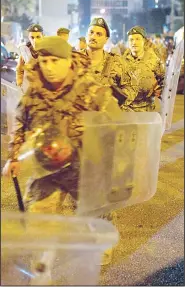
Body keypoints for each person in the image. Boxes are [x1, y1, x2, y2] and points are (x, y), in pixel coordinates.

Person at [3, 36, 122, 214]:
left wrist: (96, 139)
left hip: (85, 168)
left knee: (95, 221)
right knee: (38, 218)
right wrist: (13, 158)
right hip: (48, 166)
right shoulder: (35, 90)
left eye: (55, 61)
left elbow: (118, 129)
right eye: (44, 61)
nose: (49, 67)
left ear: (68, 61)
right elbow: (21, 121)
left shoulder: (92, 90)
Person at [81, 17, 133, 107]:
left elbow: (131, 87)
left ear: (106, 39)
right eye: (91, 32)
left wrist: (116, 104)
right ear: (86, 35)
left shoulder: (116, 62)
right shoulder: (74, 60)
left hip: (107, 118)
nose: (93, 37)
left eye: (99, 34)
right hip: (80, 117)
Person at [121, 26, 165, 112]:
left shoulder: (153, 60)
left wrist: (159, 91)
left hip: (146, 109)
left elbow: (163, 80)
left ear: (144, 41)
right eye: (131, 39)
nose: (134, 42)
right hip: (126, 110)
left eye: (138, 39)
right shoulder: (122, 61)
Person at [16, 24, 44, 92]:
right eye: (32, 37)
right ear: (29, 38)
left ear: (43, 36)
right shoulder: (25, 51)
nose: (35, 40)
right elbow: (20, 69)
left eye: (38, 37)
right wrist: (20, 84)